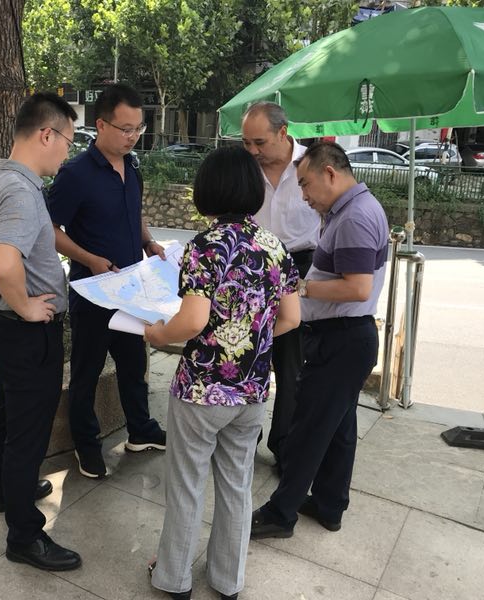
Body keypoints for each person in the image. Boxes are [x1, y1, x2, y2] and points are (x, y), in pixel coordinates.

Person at [145, 146, 301, 600]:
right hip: (252, 390)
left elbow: (192, 321)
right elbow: (291, 318)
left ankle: (173, 578)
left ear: (207, 191)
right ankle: (228, 580)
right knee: (237, 485)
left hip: (201, 389)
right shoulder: (274, 246)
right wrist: (249, 337)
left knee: (186, 485)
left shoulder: (205, 247)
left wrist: (158, 334)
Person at [0, 92, 81, 571]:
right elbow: (5, 261)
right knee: (27, 433)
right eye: (68, 140)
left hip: (5, 328)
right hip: (27, 333)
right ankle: (25, 537)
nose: (67, 151)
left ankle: (8, 492)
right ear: (47, 134)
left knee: (7, 416)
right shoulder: (21, 192)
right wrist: (24, 304)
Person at [250, 141, 388, 539]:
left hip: (341, 340)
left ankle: (281, 514)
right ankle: (330, 505)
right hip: (346, 337)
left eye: (305, 185)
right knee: (339, 428)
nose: (304, 196)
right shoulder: (348, 210)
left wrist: (299, 288)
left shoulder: (355, 217)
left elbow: (358, 288)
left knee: (309, 429)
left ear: (330, 173)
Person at [48, 83, 166, 479]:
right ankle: (87, 445)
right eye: (125, 128)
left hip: (131, 290)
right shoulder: (76, 174)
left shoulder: (132, 167)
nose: (133, 136)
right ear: (100, 125)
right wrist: (90, 259)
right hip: (93, 293)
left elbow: (135, 213)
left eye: (138, 128)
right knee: (87, 371)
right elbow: (50, 228)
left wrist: (149, 242)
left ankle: (141, 430)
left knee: (134, 364)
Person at [241, 102, 320, 473]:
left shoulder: (312, 165)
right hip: (252, 270)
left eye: (260, 142)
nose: (253, 150)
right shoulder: (245, 169)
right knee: (245, 356)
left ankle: (285, 444)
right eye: (246, 143)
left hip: (300, 268)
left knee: (291, 364)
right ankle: (243, 439)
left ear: (283, 132)